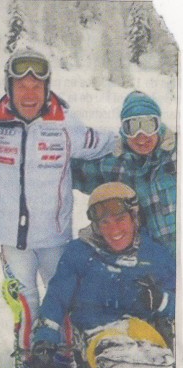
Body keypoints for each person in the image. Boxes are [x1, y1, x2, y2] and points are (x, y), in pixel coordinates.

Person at [0, 45, 115, 351]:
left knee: (62, 303)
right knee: (25, 306)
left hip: (54, 238)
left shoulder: (67, 125)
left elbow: (109, 144)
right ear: (9, 87)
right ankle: (30, 363)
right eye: (22, 85)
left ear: (47, 89)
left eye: (37, 85)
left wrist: (154, 139)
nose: (30, 93)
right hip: (11, 239)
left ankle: (64, 362)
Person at [29, 183, 175, 368]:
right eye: (104, 223)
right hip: (100, 337)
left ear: (134, 217)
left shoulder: (156, 255)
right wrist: (45, 340)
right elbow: (56, 298)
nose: (114, 230)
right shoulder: (80, 253)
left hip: (148, 338)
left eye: (120, 219)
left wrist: (161, 300)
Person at [71, 90, 176, 255]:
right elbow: (68, 171)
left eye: (148, 125)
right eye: (131, 127)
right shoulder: (115, 166)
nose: (141, 136)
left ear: (159, 126)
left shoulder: (176, 156)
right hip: (150, 264)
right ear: (122, 131)